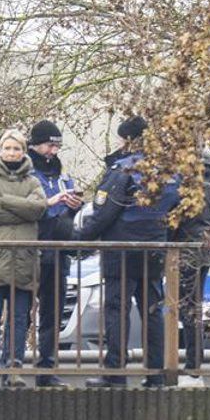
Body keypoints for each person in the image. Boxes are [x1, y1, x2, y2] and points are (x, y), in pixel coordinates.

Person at [77, 116, 180, 388]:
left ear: (128, 140)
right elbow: (178, 212)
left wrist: (79, 240)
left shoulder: (122, 170)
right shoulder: (168, 171)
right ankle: (156, 373)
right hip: (155, 250)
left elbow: (103, 213)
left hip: (120, 251)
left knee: (117, 310)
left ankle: (115, 371)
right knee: (152, 311)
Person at [0, 131, 47, 386]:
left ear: (23, 151)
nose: (12, 153)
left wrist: (4, 201)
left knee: (19, 317)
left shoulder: (32, 181)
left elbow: (39, 208)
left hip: (22, 259)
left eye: (16, 148)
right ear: (0, 149)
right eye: (8, 148)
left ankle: (14, 366)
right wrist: (21, 210)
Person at [25, 121, 84, 385]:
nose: (53, 151)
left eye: (57, 146)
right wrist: (50, 206)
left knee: (52, 314)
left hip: (58, 252)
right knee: (20, 313)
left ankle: (47, 369)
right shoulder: (25, 174)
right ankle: (10, 368)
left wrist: (73, 206)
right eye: (50, 145)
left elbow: (67, 217)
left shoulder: (62, 177)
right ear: (36, 145)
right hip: (30, 250)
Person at [170, 149, 210, 387]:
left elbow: (179, 218)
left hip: (188, 248)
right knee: (193, 306)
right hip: (203, 247)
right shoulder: (209, 180)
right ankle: (194, 364)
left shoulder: (189, 183)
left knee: (188, 307)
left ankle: (193, 366)